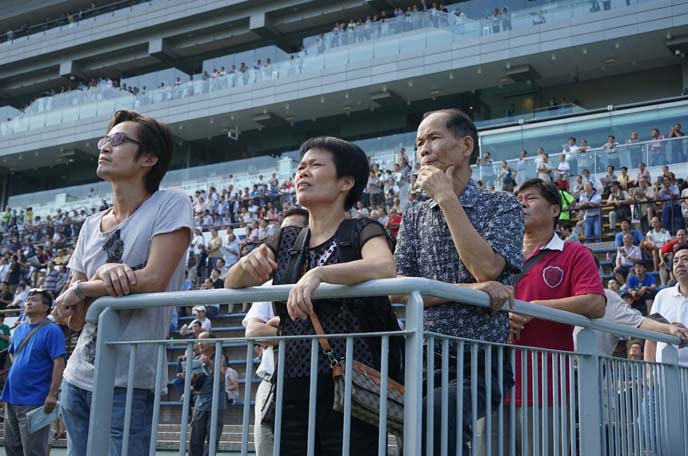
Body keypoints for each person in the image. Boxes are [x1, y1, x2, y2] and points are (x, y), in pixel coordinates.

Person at [227, 136, 398, 455]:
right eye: (301, 166)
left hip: (350, 382)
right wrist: (245, 264)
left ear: (346, 182)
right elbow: (232, 281)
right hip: (291, 381)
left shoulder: (362, 229)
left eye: (316, 165)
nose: (302, 172)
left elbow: (384, 266)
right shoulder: (287, 237)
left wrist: (320, 274)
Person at [53, 110, 194, 456]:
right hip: (77, 376)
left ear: (149, 158)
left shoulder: (170, 203)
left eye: (118, 141)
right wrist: (87, 288)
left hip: (130, 380)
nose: (105, 147)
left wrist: (90, 285)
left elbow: (154, 280)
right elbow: (72, 313)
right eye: (105, 140)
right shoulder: (89, 225)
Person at [394, 108, 523, 454]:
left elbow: (486, 270)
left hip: (480, 361)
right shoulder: (414, 214)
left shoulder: (502, 205)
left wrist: (447, 198)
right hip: (422, 357)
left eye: (433, 138)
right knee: (416, 437)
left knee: (437, 415)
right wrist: (469, 291)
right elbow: (402, 290)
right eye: (419, 142)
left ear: (466, 146)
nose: (423, 149)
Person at [477, 179, 605, 455]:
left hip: (545, 388)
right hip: (490, 386)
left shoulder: (574, 253)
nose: (521, 203)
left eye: (530, 198)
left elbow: (595, 302)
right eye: (518, 198)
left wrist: (535, 308)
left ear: (555, 210)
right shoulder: (491, 257)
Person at [242, 207, 308, 456]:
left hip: (314, 384)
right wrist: (286, 324)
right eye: (283, 233)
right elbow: (253, 332)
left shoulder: (323, 280)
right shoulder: (269, 286)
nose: (287, 239)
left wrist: (274, 326)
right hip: (271, 383)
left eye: (295, 232)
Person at [1, 289, 65, 456]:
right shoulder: (20, 330)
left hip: (34, 399)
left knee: (34, 450)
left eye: (34, 300)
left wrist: (52, 394)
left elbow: (59, 362)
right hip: (12, 396)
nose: (28, 302)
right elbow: (12, 351)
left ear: (46, 307)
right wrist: (21, 366)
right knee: (12, 448)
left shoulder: (52, 330)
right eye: (28, 299)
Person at [645, 244, 688, 367]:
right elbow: (650, 336)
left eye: (685, 259)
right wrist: (649, 372)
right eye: (675, 261)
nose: (679, 264)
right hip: (664, 376)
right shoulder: (662, 296)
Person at [189, 331, 227, 456]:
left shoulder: (220, 358)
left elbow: (222, 379)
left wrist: (210, 364)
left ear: (212, 343)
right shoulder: (196, 359)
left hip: (216, 405)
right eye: (198, 340)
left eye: (203, 340)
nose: (199, 343)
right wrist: (192, 374)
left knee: (212, 441)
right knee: (195, 440)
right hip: (200, 404)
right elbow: (190, 382)